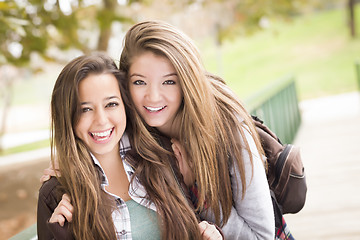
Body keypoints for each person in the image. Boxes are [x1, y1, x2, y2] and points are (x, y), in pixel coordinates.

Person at [37, 52, 223, 239]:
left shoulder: (162, 155)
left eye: (111, 104)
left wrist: (212, 234)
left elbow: (195, 225)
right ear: (66, 117)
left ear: (125, 105)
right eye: (85, 109)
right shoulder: (55, 194)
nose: (101, 120)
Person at [118, 20, 275, 239]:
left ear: (186, 82)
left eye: (169, 82)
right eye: (139, 82)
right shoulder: (130, 128)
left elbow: (262, 236)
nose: (153, 96)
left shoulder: (229, 130)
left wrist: (199, 191)